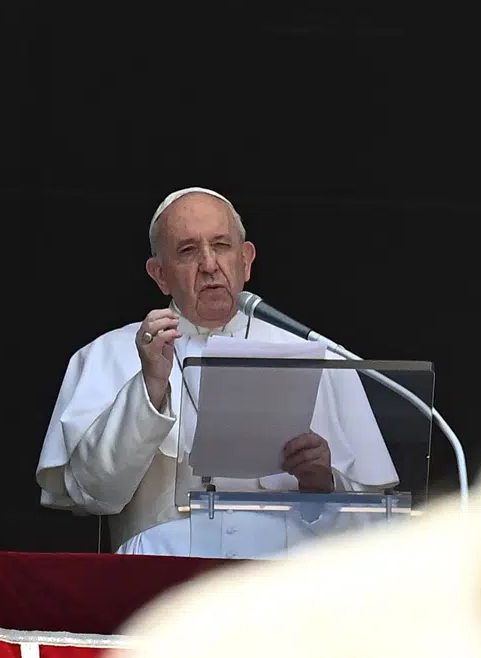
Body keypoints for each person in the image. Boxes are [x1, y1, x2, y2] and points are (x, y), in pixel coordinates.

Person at [36, 187, 399, 557]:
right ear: (159, 275)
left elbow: (377, 529)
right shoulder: (107, 354)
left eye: (222, 246)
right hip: (159, 578)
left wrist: (323, 486)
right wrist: (150, 386)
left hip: (283, 584)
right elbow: (93, 494)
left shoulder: (321, 358)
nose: (209, 264)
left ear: (246, 260)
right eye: (188, 250)